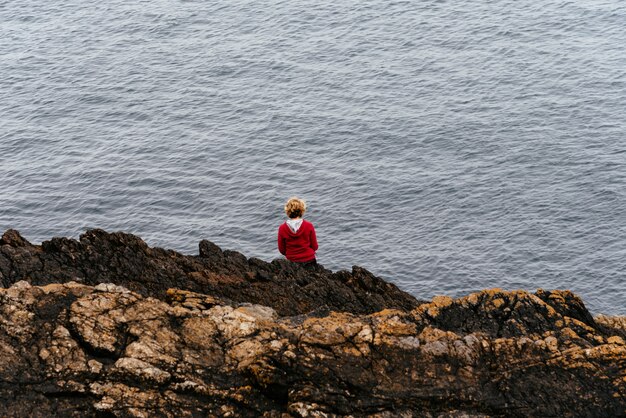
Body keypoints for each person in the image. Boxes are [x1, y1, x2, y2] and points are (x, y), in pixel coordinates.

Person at [277, 197, 318, 265]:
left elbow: (282, 250)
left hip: (292, 262)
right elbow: (315, 246)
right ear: (302, 210)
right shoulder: (309, 225)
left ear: (287, 211)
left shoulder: (282, 228)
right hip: (309, 260)